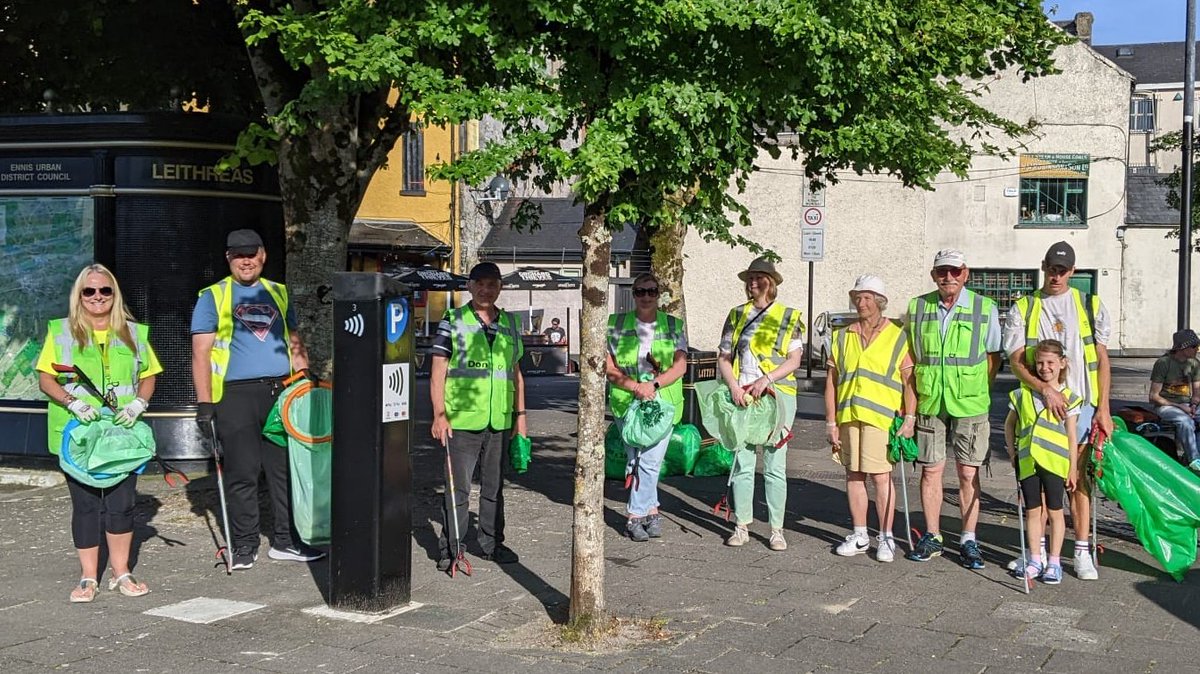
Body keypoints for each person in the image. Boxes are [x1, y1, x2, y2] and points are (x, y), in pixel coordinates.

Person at [191, 229, 322, 571]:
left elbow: (293, 341)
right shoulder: (213, 296)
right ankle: (245, 544)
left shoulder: (278, 292)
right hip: (235, 395)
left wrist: (305, 378)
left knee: (285, 472)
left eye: (251, 254)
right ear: (229, 259)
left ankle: (286, 540)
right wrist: (204, 404)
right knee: (243, 472)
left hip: (281, 392)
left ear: (263, 255)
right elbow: (200, 353)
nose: (245, 260)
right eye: (238, 255)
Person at [37, 264, 162, 602]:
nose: (97, 297)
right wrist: (71, 402)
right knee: (86, 506)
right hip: (79, 435)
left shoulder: (133, 332)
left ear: (114, 294)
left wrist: (139, 403)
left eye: (104, 290)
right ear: (79, 296)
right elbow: (45, 378)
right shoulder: (61, 331)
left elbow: (148, 374)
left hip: (120, 435)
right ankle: (88, 577)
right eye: (88, 291)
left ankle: (122, 572)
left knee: (122, 505)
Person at [1003, 241, 1112, 581]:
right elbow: (1017, 361)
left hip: (1081, 405)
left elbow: (1103, 360)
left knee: (1077, 482)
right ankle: (1039, 556)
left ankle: (1080, 552)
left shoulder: (1089, 305)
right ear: (1043, 267)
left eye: (1062, 270)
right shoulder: (1025, 307)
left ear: (1072, 272)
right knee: (1040, 486)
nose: (1056, 275)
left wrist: (1103, 408)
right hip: (1038, 407)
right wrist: (1045, 389)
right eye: (1051, 268)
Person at [903, 250, 1003, 569]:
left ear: (966, 273)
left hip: (970, 401)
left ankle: (969, 539)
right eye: (942, 271)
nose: (948, 277)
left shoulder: (984, 307)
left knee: (967, 471)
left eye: (954, 271)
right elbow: (910, 356)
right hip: (931, 398)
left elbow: (992, 357)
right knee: (931, 469)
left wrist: (978, 388)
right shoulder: (918, 307)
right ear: (933, 275)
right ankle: (932, 535)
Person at [431, 262, 527, 571]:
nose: (486, 290)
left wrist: (520, 420)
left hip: (499, 420)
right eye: (480, 284)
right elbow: (438, 371)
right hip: (460, 421)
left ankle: (491, 542)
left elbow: (516, 375)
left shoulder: (511, 324)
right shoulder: (453, 321)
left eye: (492, 284)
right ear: (470, 286)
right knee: (457, 488)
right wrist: (439, 415)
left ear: (500, 287)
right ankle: (452, 549)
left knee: (494, 487)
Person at [826, 275, 916, 562]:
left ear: (879, 301)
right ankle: (860, 533)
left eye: (866, 298)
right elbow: (832, 381)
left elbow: (909, 381)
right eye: (857, 297)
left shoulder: (898, 335)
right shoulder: (843, 335)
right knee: (853, 475)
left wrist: (910, 416)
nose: (860, 303)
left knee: (881, 477)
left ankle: (886, 537)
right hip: (850, 415)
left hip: (881, 417)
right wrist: (831, 421)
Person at [717, 257, 805, 550]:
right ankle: (741, 525)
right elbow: (725, 357)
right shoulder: (736, 314)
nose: (753, 283)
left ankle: (776, 529)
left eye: (760, 278)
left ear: (772, 282)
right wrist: (733, 387)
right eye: (750, 278)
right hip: (743, 395)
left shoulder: (789, 316)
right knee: (742, 462)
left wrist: (766, 379)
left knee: (775, 464)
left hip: (777, 396)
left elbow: (794, 360)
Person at [605, 273, 688, 542]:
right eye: (640, 291)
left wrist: (653, 385)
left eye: (651, 291)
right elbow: (608, 367)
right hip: (626, 402)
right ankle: (652, 510)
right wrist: (634, 387)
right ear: (633, 293)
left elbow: (680, 365)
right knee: (635, 460)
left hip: (661, 402)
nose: (646, 296)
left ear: (659, 294)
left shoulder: (673, 325)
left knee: (651, 461)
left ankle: (634, 515)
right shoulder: (615, 324)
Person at [1005, 339, 1082, 585]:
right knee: (1032, 511)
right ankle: (1035, 558)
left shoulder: (1070, 397)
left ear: (1062, 364)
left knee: (1055, 511)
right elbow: (1010, 424)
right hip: (1028, 461)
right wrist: (1012, 450)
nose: (1044, 367)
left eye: (1050, 362)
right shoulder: (1021, 394)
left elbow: (1072, 435)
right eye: (1039, 363)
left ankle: (1055, 561)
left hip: (1055, 463)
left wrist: (1072, 467)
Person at [1148, 329, 1200, 474]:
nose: (1197, 349)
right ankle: (1194, 460)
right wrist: (1181, 407)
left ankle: (1194, 454)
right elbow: (1154, 396)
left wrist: (1194, 405)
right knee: (1185, 422)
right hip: (1167, 404)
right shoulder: (1163, 363)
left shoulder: (1194, 363)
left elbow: (1197, 391)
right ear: (1183, 347)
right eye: (1195, 346)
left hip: (1187, 404)